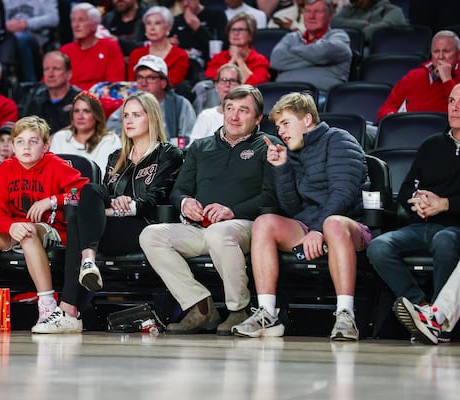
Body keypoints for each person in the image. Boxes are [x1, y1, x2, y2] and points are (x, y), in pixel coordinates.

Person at [32, 91, 183, 333]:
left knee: (78, 223)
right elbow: (101, 197)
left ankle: (69, 309)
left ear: (152, 118)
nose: (129, 121)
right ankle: (87, 264)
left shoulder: (168, 153)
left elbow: (158, 198)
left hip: (145, 228)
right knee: (90, 190)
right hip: (110, 225)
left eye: (136, 115)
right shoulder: (116, 157)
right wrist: (111, 206)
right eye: (125, 116)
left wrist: (128, 204)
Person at [139, 85, 280, 335]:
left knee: (220, 232)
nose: (234, 116)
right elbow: (179, 190)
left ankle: (239, 310)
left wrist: (231, 211)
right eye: (230, 109)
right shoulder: (200, 147)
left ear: (258, 118)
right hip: (201, 229)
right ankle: (200, 308)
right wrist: (185, 203)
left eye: (243, 110)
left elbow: (272, 197)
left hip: (247, 226)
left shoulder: (268, 146)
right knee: (151, 234)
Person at [232, 91, 370, 341]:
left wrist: (318, 229)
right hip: (310, 229)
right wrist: (281, 168)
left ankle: (345, 315)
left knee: (333, 224)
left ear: (307, 120)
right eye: (277, 126)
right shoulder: (291, 151)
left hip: (350, 227)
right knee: (264, 223)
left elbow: (343, 194)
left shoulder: (339, 140)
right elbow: (292, 208)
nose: (281, 132)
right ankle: (267, 313)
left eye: (286, 123)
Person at [0, 116, 89, 332]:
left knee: (27, 231)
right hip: (15, 228)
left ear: (45, 145)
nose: (26, 147)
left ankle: (47, 307)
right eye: (20, 141)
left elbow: (87, 191)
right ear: (13, 145)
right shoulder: (6, 168)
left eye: (33, 141)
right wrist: (9, 226)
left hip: (50, 229)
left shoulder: (56, 165)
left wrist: (52, 200)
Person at [367, 83, 460, 341]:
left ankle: (441, 324)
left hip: (455, 228)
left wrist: (446, 204)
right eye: (452, 101)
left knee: (444, 240)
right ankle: (423, 308)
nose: (456, 108)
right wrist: (417, 201)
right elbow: (409, 186)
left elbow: (447, 204)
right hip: (422, 223)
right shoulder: (432, 144)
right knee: (378, 247)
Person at [270, 0, 352, 97]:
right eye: (308, 11)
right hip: (282, 95)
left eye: (318, 12)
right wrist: (316, 58)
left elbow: (324, 53)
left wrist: (295, 50)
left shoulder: (339, 36)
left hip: (320, 97)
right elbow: (276, 60)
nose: (311, 16)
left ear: (330, 16)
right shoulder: (291, 37)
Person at [107, 55, 196, 141]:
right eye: (140, 77)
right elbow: (112, 129)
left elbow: (188, 139)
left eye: (151, 78)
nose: (144, 83)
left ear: (163, 83)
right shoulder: (131, 103)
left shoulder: (180, 105)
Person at [377, 30, 460, 122]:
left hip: (443, 133)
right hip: (404, 130)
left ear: (458, 55)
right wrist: (393, 118)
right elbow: (387, 108)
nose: (440, 56)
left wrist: (447, 79)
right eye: (436, 51)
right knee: (363, 129)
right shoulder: (415, 75)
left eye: (446, 51)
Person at [49, 91, 121, 176]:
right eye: (76, 111)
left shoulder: (110, 140)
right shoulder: (60, 137)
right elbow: (52, 173)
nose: (80, 116)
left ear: (96, 115)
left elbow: (103, 176)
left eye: (86, 111)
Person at [59, 3, 125, 91]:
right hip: (68, 100)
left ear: (95, 25)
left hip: (97, 100)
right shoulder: (65, 50)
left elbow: (114, 84)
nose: (76, 25)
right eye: (73, 20)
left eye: (81, 20)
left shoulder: (109, 47)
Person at [0, 1, 59, 82]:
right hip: (9, 41)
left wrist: (26, 24)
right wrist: (7, 27)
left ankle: (31, 86)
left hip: (36, 41)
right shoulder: (4, 2)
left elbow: (54, 18)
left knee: (21, 38)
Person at [18, 51, 82, 134]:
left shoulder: (80, 100)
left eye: (56, 69)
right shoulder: (34, 100)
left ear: (69, 74)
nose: (50, 74)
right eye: (46, 69)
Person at [127, 6, 189, 87]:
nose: (152, 28)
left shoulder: (180, 55)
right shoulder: (136, 54)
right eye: (148, 23)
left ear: (168, 27)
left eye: (157, 23)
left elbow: (172, 84)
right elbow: (132, 84)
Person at [205, 12, 271, 86]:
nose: (235, 33)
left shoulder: (260, 60)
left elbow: (255, 85)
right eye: (232, 30)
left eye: (240, 30)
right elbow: (214, 82)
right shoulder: (218, 58)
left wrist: (239, 60)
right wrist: (232, 61)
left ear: (250, 35)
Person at [190, 64, 242, 144]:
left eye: (232, 81)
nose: (227, 85)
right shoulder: (206, 116)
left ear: (240, 86)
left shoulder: (246, 118)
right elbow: (193, 148)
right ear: (216, 86)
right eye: (223, 80)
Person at [169, 0, 228, 65]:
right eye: (181, 1)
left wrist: (199, 29)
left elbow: (222, 48)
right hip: (182, 64)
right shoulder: (175, 21)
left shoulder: (217, 15)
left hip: (209, 65)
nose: (185, 3)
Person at [331, 0, 407, 43]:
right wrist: (363, 24)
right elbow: (332, 22)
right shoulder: (351, 9)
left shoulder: (392, 10)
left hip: (374, 56)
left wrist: (347, 31)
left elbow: (380, 32)